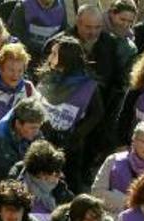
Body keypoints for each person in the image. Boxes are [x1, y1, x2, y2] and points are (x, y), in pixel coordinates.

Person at [35, 35, 104, 192]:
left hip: (69, 146)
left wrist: (76, 135)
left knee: (69, 184)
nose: (50, 57)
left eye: (54, 53)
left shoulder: (88, 85)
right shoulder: (47, 77)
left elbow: (97, 114)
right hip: (40, 139)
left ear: (66, 58)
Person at [92, 121, 144, 215]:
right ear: (134, 140)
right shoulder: (113, 160)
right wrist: (130, 202)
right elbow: (97, 192)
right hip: (114, 220)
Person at [10, 139, 74, 221]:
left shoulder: (60, 189)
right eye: (55, 172)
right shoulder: (17, 192)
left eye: (59, 170)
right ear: (41, 175)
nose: (60, 175)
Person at [7, 0, 66, 64]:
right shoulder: (23, 6)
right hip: (27, 56)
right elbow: (15, 36)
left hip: (50, 57)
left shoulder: (61, 5)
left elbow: (63, 32)